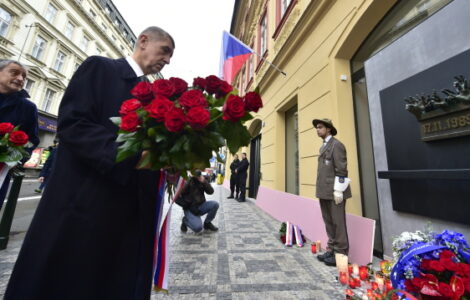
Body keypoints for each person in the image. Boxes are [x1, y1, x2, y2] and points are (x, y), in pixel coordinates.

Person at [5, 27, 175, 300]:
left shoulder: (151, 94)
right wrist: (132, 156)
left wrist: (167, 161)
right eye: (165, 50)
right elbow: (74, 124)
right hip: (85, 200)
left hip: (128, 207)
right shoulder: (100, 68)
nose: (167, 60)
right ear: (143, 41)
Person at [0, 59, 39, 210]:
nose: (20, 79)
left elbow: (31, 141)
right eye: (14, 73)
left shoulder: (28, 107)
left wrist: (12, 160)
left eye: (24, 76)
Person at [312, 118, 351, 267]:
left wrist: (338, 190)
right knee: (328, 221)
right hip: (324, 191)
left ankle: (341, 253)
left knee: (338, 222)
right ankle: (332, 249)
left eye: (320, 127)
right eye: (316, 127)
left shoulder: (337, 145)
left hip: (335, 191)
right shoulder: (324, 146)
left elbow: (341, 169)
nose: (317, 129)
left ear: (328, 129)